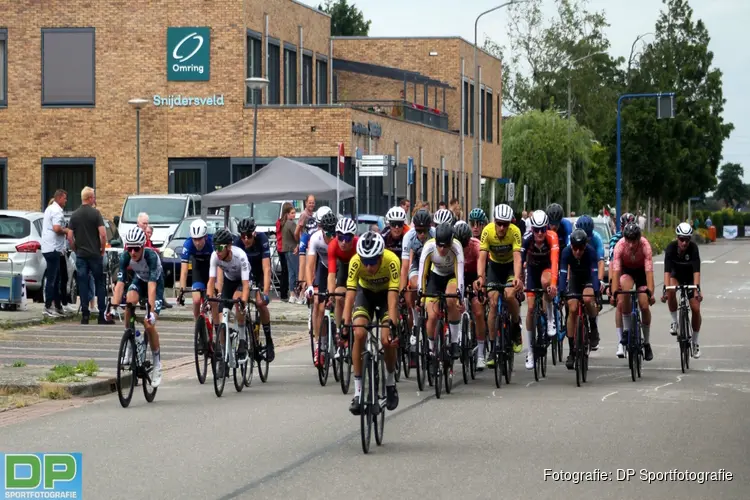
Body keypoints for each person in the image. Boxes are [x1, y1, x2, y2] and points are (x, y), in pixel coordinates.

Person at [343, 231, 401, 415]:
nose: (368, 267)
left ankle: (390, 382)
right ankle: (358, 392)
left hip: (385, 296)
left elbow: (392, 298)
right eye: (364, 261)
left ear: (381, 256)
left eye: (372, 262)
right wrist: (345, 324)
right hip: (365, 294)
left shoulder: (392, 261)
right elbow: (350, 295)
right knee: (358, 333)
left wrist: (392, 324)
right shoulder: (355, 262)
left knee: (386, 340)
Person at [108, 227, 165, 387]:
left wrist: (152, 313)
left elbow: (152, 287)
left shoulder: (151, 256)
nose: (132, 252)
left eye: (136, 248)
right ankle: (131, 341)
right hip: (140, 280)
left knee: (149, 323)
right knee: (129, 303)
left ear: (143, 246)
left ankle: (157, 363)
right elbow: (120, 283)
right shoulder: (125, 256)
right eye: (129, 248)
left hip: (156, 283)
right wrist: (113, 306)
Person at [476, 204, 524, 363]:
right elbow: (482, 257)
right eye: (499, 223)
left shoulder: (515, 232)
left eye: (506, 224)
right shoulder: (487, 231)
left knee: (510, 295)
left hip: (510, 267)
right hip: (495, 267)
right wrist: (480, 277)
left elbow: (517, 257)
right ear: (494, 221)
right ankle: (493, 347)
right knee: (493, 301)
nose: (502, 228)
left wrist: (517, 277)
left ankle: (516, 327)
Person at [206, 229, 251, 377]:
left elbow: (245, 285)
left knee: (238, 303)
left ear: (229, 247)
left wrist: (243, 301)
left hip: (242, 280)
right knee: (221, 315)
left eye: (220, 247)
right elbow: (211, 281)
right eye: (215, 247)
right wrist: (208, 297)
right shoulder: (215, 256)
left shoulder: (240, 256)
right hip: (230, 281)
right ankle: (224, 357)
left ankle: (243, 340)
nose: (217, 251)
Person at [609, 223, 656, 361]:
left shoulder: (645, 246)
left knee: (644, 304)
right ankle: (626, 331)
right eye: (628, 240)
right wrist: (613, 294)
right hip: (626, 272)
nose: (630, 244)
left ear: (639, 239)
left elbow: (649, 274)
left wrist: (650, 293)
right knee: (624, 293)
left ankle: (646, 343)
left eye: (633, 241)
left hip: (641, 272)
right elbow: (616, 273)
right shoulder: (620, 246)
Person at [418, 222, 465, 359]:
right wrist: (421, 295)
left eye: (446, 245)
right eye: (439, 245)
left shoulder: (456, 247)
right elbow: (422, 273)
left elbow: (460, 275)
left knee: (452, 299)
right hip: (435, 277)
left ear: (451, 242)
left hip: (451, 276)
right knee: (431, 315)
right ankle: (432, 350)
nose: (442, 249)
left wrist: (460, 298)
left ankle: (455, 342)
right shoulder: (429, 247)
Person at [521, 210, 559, 370]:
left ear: (547, 228)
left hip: (546, 269)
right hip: (532, 269)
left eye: (542, 229)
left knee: (546, 282)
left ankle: (550, 320)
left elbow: (555, 261)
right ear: (532, 229)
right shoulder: (526, 240)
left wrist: (554, 284)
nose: (539, 233)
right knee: (530, 309)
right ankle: (530, 351)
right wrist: (520, 281)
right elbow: (520, 262)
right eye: (536, 230)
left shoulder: (552, 237)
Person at [68, 187, 112, 325]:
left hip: (81, 254)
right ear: (89, 198)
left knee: (83, 283)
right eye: (93, 197)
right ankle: (101, 315)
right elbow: (103, 234)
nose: (95, 199)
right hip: (95, 254)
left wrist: (75, 248)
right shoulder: (96, 214)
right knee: (99, 282)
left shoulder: (74, 215)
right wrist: (102, 248)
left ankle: (85, 314)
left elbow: (69, 236)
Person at [558, 229, 600, 370]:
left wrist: (596, 291)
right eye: (575, 248)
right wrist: (561, 292)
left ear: (585, 246)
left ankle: (593, 325)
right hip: (575, 280)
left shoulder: (591, 252)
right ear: (571, 246)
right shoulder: (566, 252)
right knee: (573, 308)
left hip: (588, 278)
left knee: (588, 299)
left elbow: (595, 275)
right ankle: (572, 351)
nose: (577, 252)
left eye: (580, 248)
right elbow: (563, 274)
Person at [236, 217, 276, 362]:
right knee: (238, 301)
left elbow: (266, 268)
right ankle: (243, 334)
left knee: (260, 303)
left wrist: (265, 292)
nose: (245, 239)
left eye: (248, 236)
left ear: (254, 233)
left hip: (258, 273)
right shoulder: (237, 243)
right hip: (244, 275)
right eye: (242, 236)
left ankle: (269, 340)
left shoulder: (262, 239)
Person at [661, 222, 703, 358]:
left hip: (690, 278)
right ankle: (674, 321)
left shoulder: (694, 249)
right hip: (676, 276)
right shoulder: (671, 248)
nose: (684, 243)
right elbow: (667, 271)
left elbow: (697, 271)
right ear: (677, 238)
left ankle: (695, 342)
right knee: (671, 290)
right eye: (681, 239)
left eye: (687, 239)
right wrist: (666, 290)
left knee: (696, 309)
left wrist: (696, 290)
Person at [400, 209, 436, 367]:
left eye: (424, 231)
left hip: (434, 264)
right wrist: (402, 288)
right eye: (419, 231)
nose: (422, 235)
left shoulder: (435, 234)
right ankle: (415, 318)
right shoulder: (408, 237)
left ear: (430, 228)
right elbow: (405, 266)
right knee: (413, 285)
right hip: (416, 263)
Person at [304, 211, 338, 367]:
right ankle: (320, 344)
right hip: (324, 267)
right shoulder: (316, 238)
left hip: (340, 267)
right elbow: (310, 264)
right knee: (318, 302)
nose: (331, 236)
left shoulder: (340, 238)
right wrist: (310, 285)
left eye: (334, 232)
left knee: (340, 297)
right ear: (322, 229)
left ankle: (341, 330)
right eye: (328, 232)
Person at [453, 222, 487, 369]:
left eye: (465, 243)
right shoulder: (452, 247)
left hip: (474, 275)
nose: (463, 247)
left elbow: (483, 270)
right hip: (459, 275)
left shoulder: (476, 246)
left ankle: (480, 354)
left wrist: (481, 286)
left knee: (478, 311)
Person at [327, 217, 359, 348]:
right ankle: (340, 329)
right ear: (336, 236)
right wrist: (330, 295)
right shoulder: (333, 245)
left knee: (355, 298)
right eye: (340, 238)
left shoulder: (358, 244)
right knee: (338, 295)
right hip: (343, 267)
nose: (344, 242)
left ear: (353, 237)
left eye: (348, 239)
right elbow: (331, 274)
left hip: (357, 267)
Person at [574, 214, 604, 349]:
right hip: (576, 271)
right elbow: (568, 262)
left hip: (590, 270)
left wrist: (600, 280)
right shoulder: (573, 238)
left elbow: (600, 262)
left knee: (589, 299)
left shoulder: (597, 239)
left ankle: (593, 325)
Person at [608, 212, 636, 358]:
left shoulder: (638, 237)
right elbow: (613, 265)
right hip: (621, 269)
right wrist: (611, 285)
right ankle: (621, 341)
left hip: (636, 270)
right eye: (625, 226)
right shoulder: (615, 240)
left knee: (641, 300)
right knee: (620, 301)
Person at [178, 219, 216, 323]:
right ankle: (198, 326)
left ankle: (217, 327)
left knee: (213, 301)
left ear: (205, 237)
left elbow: (219, 266)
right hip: (198, 269)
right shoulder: (188, 244)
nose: (197, 243)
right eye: (195, 239)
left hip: (212, 270)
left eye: (200, 239)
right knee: (196, 300)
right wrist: (182, 291)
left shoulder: (212, 243)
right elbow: (184, 271)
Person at [41, 189, 69, 317]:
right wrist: (67, 231)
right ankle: (47, 307)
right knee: (52, 279)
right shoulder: (57, 211)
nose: (66, 201)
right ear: (59, 198)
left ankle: (58, 306)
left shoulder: (49, 208)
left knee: (56, 278)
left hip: (48, 247)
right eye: (64, 198)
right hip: (53, 248)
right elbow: (57, 228)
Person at [296, 195, 317, 287]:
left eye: (313, 202)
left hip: (311, 243)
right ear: (306, 203)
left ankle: (305, 289)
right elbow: (297, 231)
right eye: (310, 202)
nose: (311, 204)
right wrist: (299, 242)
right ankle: (300, 290)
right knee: (304, 267)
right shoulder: (304, 214)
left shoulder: (314, 214)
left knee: (311, 267)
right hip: (305, 242)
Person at [280, 204, 299, 303]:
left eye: (294, 213)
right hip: (293, 249)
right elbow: (297, 234)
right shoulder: (291, 224)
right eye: (292, 213)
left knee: (291, 273)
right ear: (287, 214)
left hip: (285, 250)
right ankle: (298, 293)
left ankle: (292, 294)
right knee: (297, 272)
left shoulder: (283, 223)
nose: (294, 215)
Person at [275, 203, 292, 301]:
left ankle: (283, 293)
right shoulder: (287, 223)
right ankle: (285, 293)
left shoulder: (279, 222)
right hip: (285, 248)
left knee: (284, 271)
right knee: (288, 271)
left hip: (280, 248)